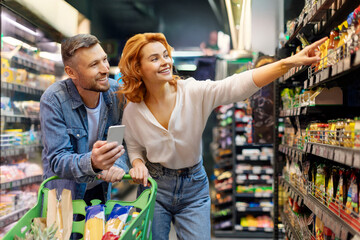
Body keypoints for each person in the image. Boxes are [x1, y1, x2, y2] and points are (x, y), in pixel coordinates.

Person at [119, 33, 327, 239]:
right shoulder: (133, 111)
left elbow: (235, 85)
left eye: (165, 55)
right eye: (154, 59)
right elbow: (134, 146)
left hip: (194, 188)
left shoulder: (191, 91)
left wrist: (287, 63)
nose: (165, 62)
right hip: (155, 188)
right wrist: (137, 163)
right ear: (138, 68)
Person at [40, 34, 130, 204]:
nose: (104, 69)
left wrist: (118, 164)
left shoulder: (116, 93)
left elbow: (126, 142)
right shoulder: (54, 99)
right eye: (94, 64)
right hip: (64, 197)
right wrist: (93, 161)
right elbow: (58, 159)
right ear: (71, 72)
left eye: (104, 59)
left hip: (100, 191)